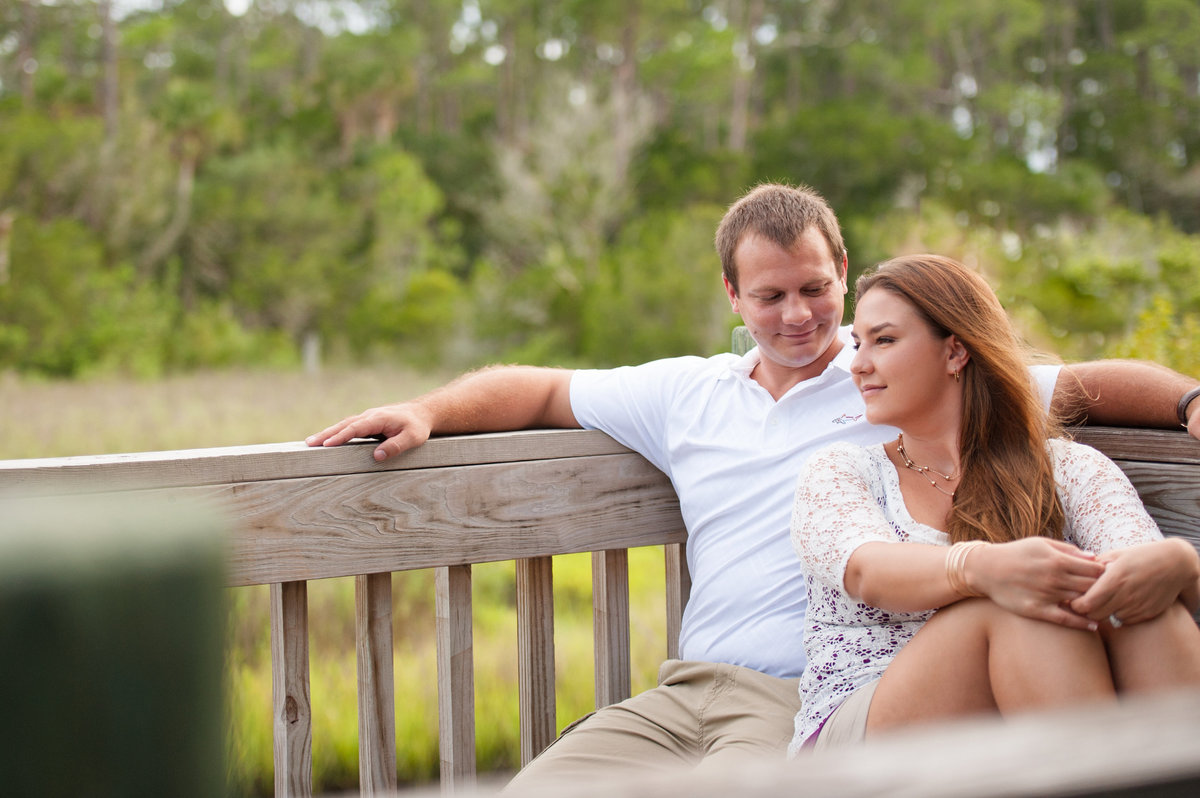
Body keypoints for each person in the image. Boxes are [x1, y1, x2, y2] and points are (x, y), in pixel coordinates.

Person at [307, 184, 1200, 785]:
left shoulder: (895, 371)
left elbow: (1085, 383)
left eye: (816, 289)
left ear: (844, 278)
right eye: (770, 297)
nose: (799, 315)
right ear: (733, 295)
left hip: (806, 692)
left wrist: (1192, 401)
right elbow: (539, 387)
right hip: (686, 684)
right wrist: (425, 410)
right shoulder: (687, 392)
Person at [789, 254, 1200, 755]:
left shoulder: (1065, 467)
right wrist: (983, 568)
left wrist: (1179, 564)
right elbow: (868, 572)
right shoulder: (841, 470)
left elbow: (1132, 560)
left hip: (1032, 709)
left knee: (1143, 609)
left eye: (884, 340)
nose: (858, 364)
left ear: (955, 352)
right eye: (859, 343)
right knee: (1019, 606)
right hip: (862, 735)